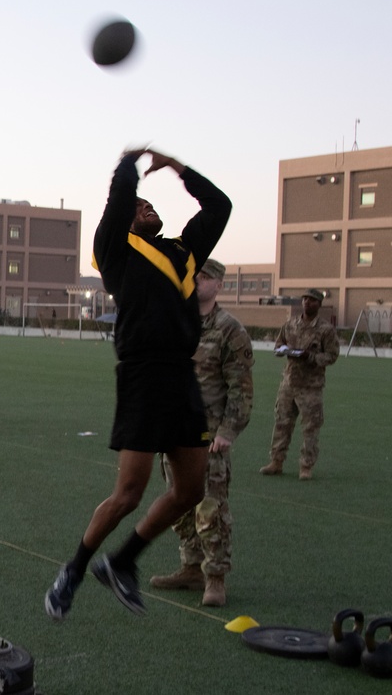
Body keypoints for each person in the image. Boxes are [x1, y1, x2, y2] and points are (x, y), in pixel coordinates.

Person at [45, 148, 232, 620]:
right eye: (138, 207)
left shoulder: (184, 252)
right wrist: (129, 162)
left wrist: (177, 168)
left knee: (190, 490)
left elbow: (220, 207)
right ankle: (74, 569)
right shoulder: (116, 252)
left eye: (150, 206)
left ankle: (123, 562)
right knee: (129, 492)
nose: (146, 208)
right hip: (142, 374)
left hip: (181, 376)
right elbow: (119, 197)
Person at [149, 258, 254, 607]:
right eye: (193, 276)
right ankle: (190, 567)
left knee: (210, 509)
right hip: (174, 432)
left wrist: (227, 431)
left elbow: (241, 388)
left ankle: (215, 578)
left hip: (208, 438)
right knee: (178, 505)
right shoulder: (177, 323)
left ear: (219, 285)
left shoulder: (229, 329)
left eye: (206, 277)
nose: (197, 281)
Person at [260, 288, 339, 480]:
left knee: (310, 427)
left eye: (311, 300)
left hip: (310, 387)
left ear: (319, 304)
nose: (307, 303)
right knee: (282, 423)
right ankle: (276, 461)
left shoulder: (325, 330)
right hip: (288, 383)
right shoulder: (290, 325)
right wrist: (283, 350)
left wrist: (310, 357)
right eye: (304, 299)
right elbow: (278, 345)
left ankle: (306, 466)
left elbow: (331, 355)